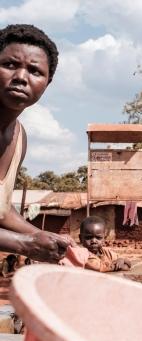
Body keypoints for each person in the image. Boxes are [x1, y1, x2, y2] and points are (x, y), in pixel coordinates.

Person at [0, 24, 70, 262]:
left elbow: (2, 209)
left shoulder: (20, 138)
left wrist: (42, 236)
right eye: (9, 65)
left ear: (47, 83)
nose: (20, 77)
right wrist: (24, 243)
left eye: (34, 71)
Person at [61, 216, 131, 272]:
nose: (94, 241)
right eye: (88, 237)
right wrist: (119, 264)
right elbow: (100, 267)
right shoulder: (82, 255)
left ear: (104, 238)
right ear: (80, 238)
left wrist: (121, 260)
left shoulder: (104, 252)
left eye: (98, 237)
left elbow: (128, 262)